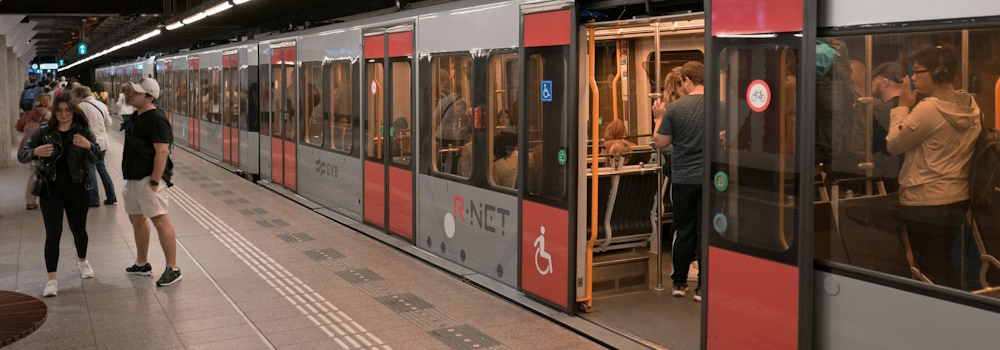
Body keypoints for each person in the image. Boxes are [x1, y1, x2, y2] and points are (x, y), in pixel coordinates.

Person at [887, 44, 981, 290]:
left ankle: (945, 311)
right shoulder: (970, 104)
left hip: (925, 202)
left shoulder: (929, 108)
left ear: (939, 73)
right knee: (942, 264)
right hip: (957, 199)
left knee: (930, 270)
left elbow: (894, 143)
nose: (913, 77)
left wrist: (902, 107)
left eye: (918, 71)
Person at [18, 94, 102, 297]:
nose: (63, 114)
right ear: (54, 111)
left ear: (73, 111)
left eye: (68, 110)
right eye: (59, 110)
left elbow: (98, 156)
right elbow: (22, 154)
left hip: (78, 188)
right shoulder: (44, 131)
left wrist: (89, 146)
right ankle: (52, 280)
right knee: (53, 233)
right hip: (50, 189)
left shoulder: (83, 130)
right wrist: (35, 151)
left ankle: (82, 260)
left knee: (79, 230)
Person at [121, 77, 182, 287]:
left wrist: (155, 181)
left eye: (137, 93)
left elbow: (162, 151)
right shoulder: (136, 115)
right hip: (132, 178)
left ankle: (173, 268)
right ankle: (142, 263)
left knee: (160, 220)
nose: (132, 95)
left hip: (148, 179)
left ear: (150, 97)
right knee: (136, 219)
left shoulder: (157, 119)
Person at [653, 61, 705, 301]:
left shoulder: (674, 108)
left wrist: (658, 118)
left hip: (683, 178)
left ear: (687, 80)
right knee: (705, 232)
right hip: (710, 179)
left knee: (684, 230)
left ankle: (679, 282)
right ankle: (703, 287)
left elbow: (661, 142)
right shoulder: (720, 105)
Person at [71, 86, 117, 207]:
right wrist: (101, 133)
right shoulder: (101, 105)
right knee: (102, 169)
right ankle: (111, 196)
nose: (74, 100)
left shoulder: (80, 108)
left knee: (90, 170)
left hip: (88, 144)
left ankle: (94, 199)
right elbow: (109, 122)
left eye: (75, 97)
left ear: (80, 95)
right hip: (102, 143)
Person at [870, 62, 905, 187]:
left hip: (884, 178)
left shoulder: (878, 112)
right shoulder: (913, 108)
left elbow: (870, 147)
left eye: (873, 80)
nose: (870, 84)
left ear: (884, 82)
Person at [17, 94, 52, 210]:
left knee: (33, 174)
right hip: (47, 147)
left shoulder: (29, 114)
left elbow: (18, 127)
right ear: (47, 102)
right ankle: (52, 198)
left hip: (32, 148)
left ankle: (30, 201)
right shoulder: (49, 115)